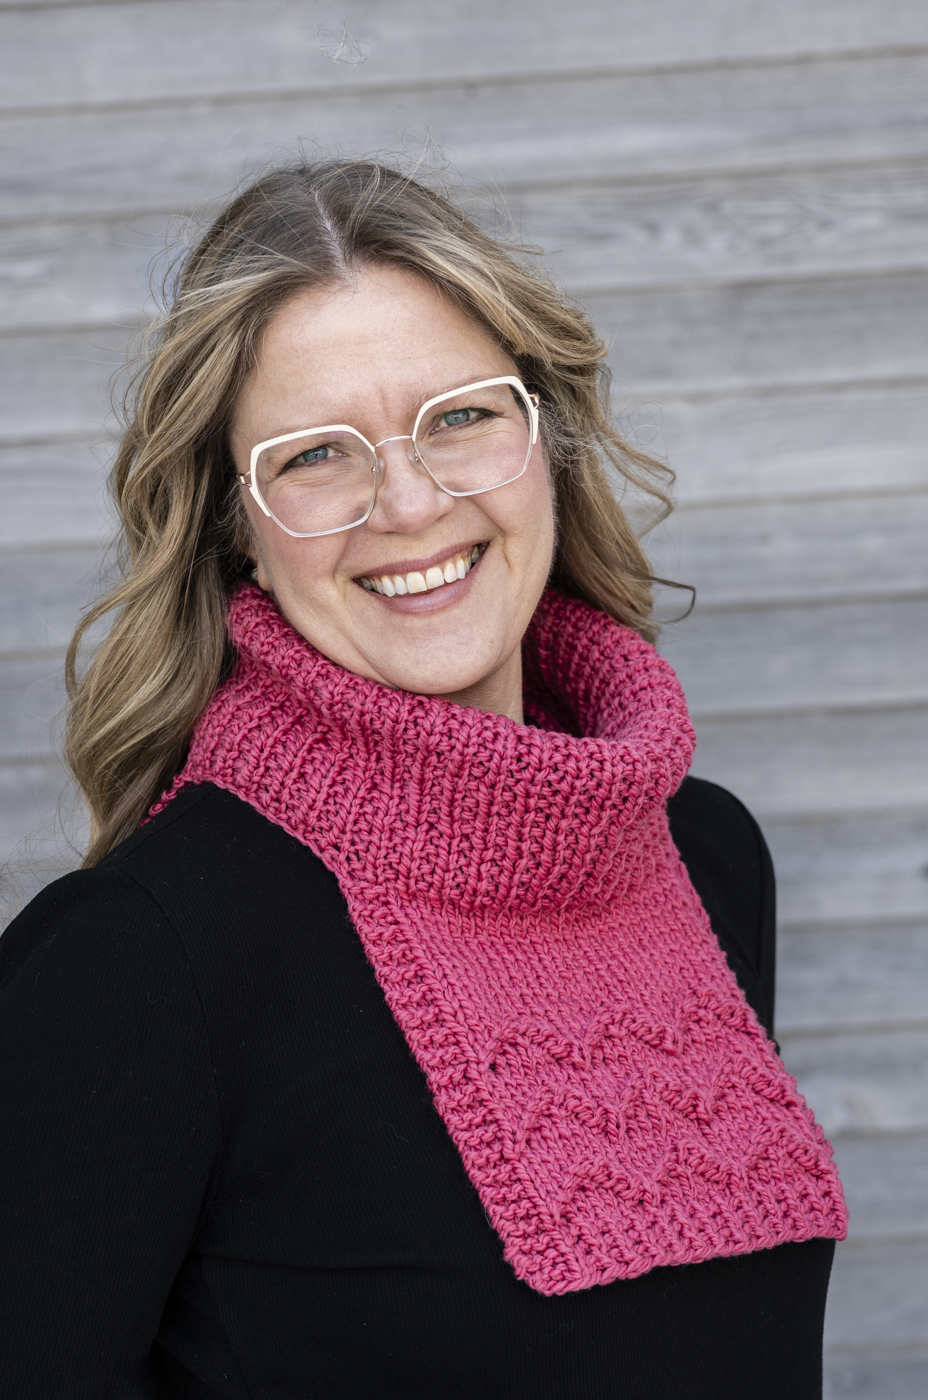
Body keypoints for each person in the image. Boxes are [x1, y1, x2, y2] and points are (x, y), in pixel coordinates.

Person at [0, 159, 846, 1399]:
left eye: (459, 417)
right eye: (315, 454)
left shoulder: (704, 851)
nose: (407, 501)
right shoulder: (143, 957)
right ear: (239, 524)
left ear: (547, 437)